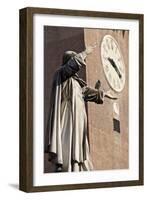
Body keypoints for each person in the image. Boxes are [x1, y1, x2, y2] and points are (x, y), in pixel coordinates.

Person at [45, 45, 117, 172]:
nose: (77, 67)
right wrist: (85, 52)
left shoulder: (76, 82)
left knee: (78, 142)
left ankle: (78, 165)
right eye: (74, 59)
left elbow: (85, 92)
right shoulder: (62, 74)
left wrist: (103, 93)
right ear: (69, 61)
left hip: (79, 118)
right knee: (68, 139)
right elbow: (72, 66)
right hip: (68, 115)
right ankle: (68, 163)